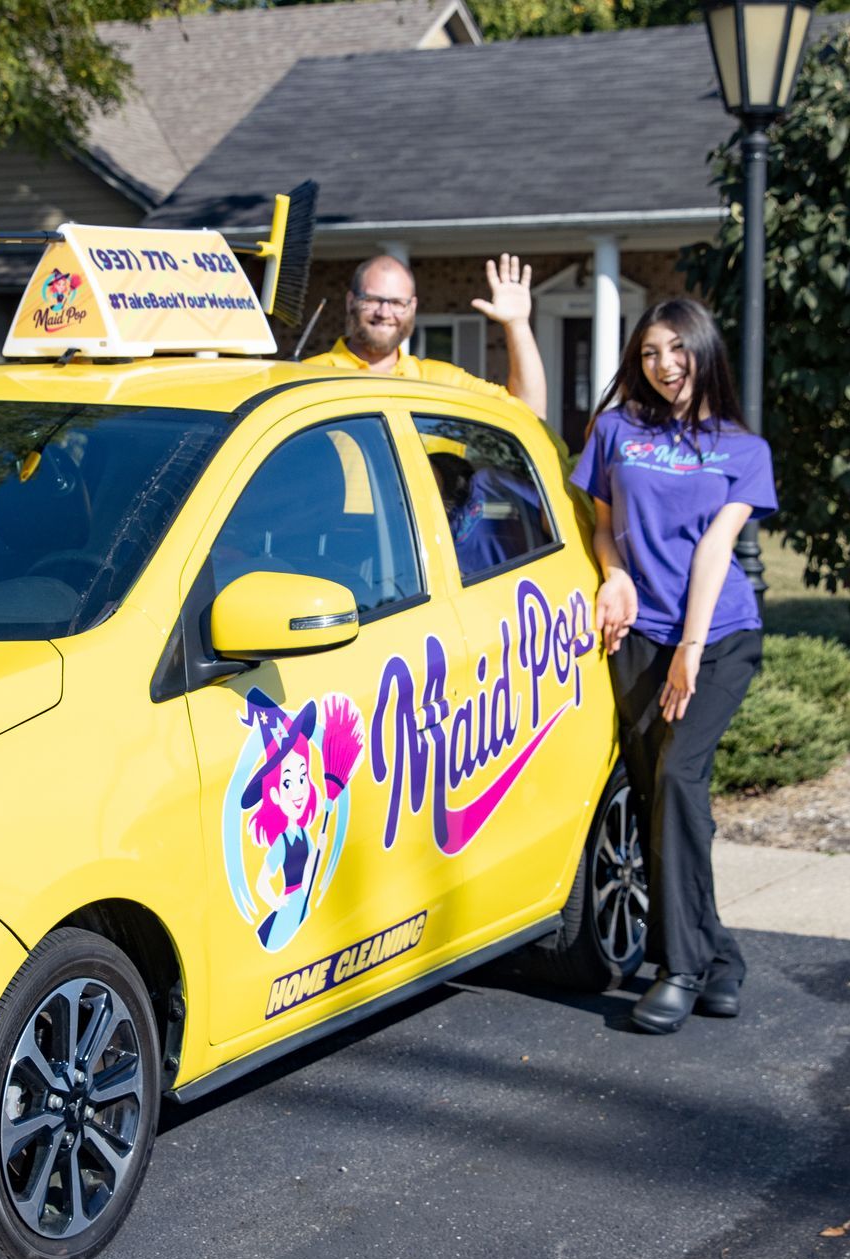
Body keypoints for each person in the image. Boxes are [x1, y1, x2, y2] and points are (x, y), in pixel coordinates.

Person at [568, 297, 775, 1036]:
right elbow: (602, 525)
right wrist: (614, 574)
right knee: (663, 797)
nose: (664, 365)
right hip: (639, 637)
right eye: (651, 352)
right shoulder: (616, 430)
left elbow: (716, 551)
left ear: (703, 352)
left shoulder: (741, 449)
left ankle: (678, 968)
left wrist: (689, 650)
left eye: (676, 350)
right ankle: (721, 959)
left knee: (680, 777)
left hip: (716, 638)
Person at [305, 253, 548, 418]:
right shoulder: (308, 378)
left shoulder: (439, 382)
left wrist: (517, 324)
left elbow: (529, 412)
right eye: (373, 300)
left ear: (412, 307)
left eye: (397, 303)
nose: (384, 312)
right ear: (351, 302)